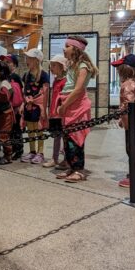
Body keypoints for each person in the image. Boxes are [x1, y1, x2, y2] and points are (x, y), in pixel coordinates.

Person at [55, 36, 98, 182]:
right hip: (69, 103)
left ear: (76, 49)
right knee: (67, 139)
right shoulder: (73, 65)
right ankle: (71, 167)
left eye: (67, 46)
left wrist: (64, 105)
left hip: (76, 105)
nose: (64, 49)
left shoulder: (83, 66)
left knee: (76, 139)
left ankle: (78, 170)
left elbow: (79, 89)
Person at [111, 54, 135, 188]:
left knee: (131, 149)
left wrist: (119, 114)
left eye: (118, 68)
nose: (117, 71)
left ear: (125, 70)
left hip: (134, 124)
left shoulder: (127, 85)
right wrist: (123, 119)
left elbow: (127, 104)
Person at [20, 48, 49, 164]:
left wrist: (44, 109)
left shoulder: (44, 75)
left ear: (37, 60)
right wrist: (23, 103)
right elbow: (24, 91)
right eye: (27, 58)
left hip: (38, 106)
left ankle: (40, 152)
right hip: (28, 106)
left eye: (30, 58)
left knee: (39, 129)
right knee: (30, 129)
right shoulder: (26, 75)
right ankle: (32, 151)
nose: (27, 60)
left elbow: (45, 93)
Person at [42, 54, 68, 169]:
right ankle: (54, 158)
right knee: (56, 137)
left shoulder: (65, 81)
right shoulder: (56, 81)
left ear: (62, 67)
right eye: (51, 65)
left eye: (54, 65)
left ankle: (66, 159)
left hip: (61, 114)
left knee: (65, 137)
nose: (51, 68)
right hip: (54, 113)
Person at [0, 54, 24, 160]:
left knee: (17, 130)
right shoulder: (5, 77)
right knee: (10, 130)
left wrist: (21, 105)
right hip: (8, 108)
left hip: (16, 108)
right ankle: (11, 149)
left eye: (8, 62)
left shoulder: (16, 77)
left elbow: (21, 92)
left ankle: (18, 151)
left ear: (14, 64)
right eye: (4, 62)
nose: (6, 64)